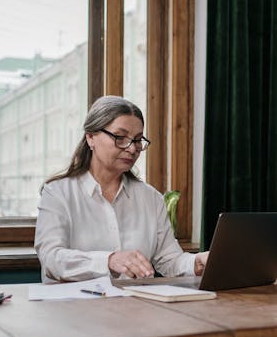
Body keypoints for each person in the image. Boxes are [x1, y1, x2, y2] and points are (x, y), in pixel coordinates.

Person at [35, 95, 208, 283]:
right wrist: (109, 261)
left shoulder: (150, 198)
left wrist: (196, 262)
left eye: (137, 140)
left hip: (133, 308)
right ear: (91, 137)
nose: (132, 149)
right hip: (72, 308)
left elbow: (169, 260)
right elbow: (51, 258)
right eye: (120, 137)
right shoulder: (57, 193)